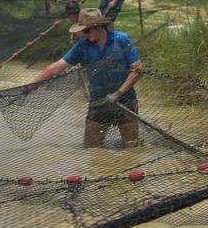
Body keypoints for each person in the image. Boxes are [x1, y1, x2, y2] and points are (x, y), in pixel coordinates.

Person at [31, 8, 144, 147]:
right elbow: (57, 67)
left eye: (86, 30)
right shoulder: (82, 47)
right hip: (98, 103)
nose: (84, 34)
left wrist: (118, 93)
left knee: (132, 147)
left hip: (125, 102)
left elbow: (137, 69)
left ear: (98, 27)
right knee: (91, 148)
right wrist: (31, 85)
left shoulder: (122, 40)